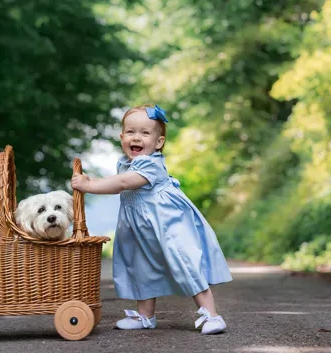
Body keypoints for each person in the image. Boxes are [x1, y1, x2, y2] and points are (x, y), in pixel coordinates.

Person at [71, 104, 233, 334]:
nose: (136, 137)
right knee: (140, 266)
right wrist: (93, 181)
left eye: (145, 133)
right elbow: (119, 180)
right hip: (139, 227)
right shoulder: (124, 163)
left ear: (158, 143)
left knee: (183, 262)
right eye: (131, 132)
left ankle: (212, 315)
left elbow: (124, 183)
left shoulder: (151, 163)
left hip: (166, 224)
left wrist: (89, 185)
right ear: (122, 137)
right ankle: (145, 316)